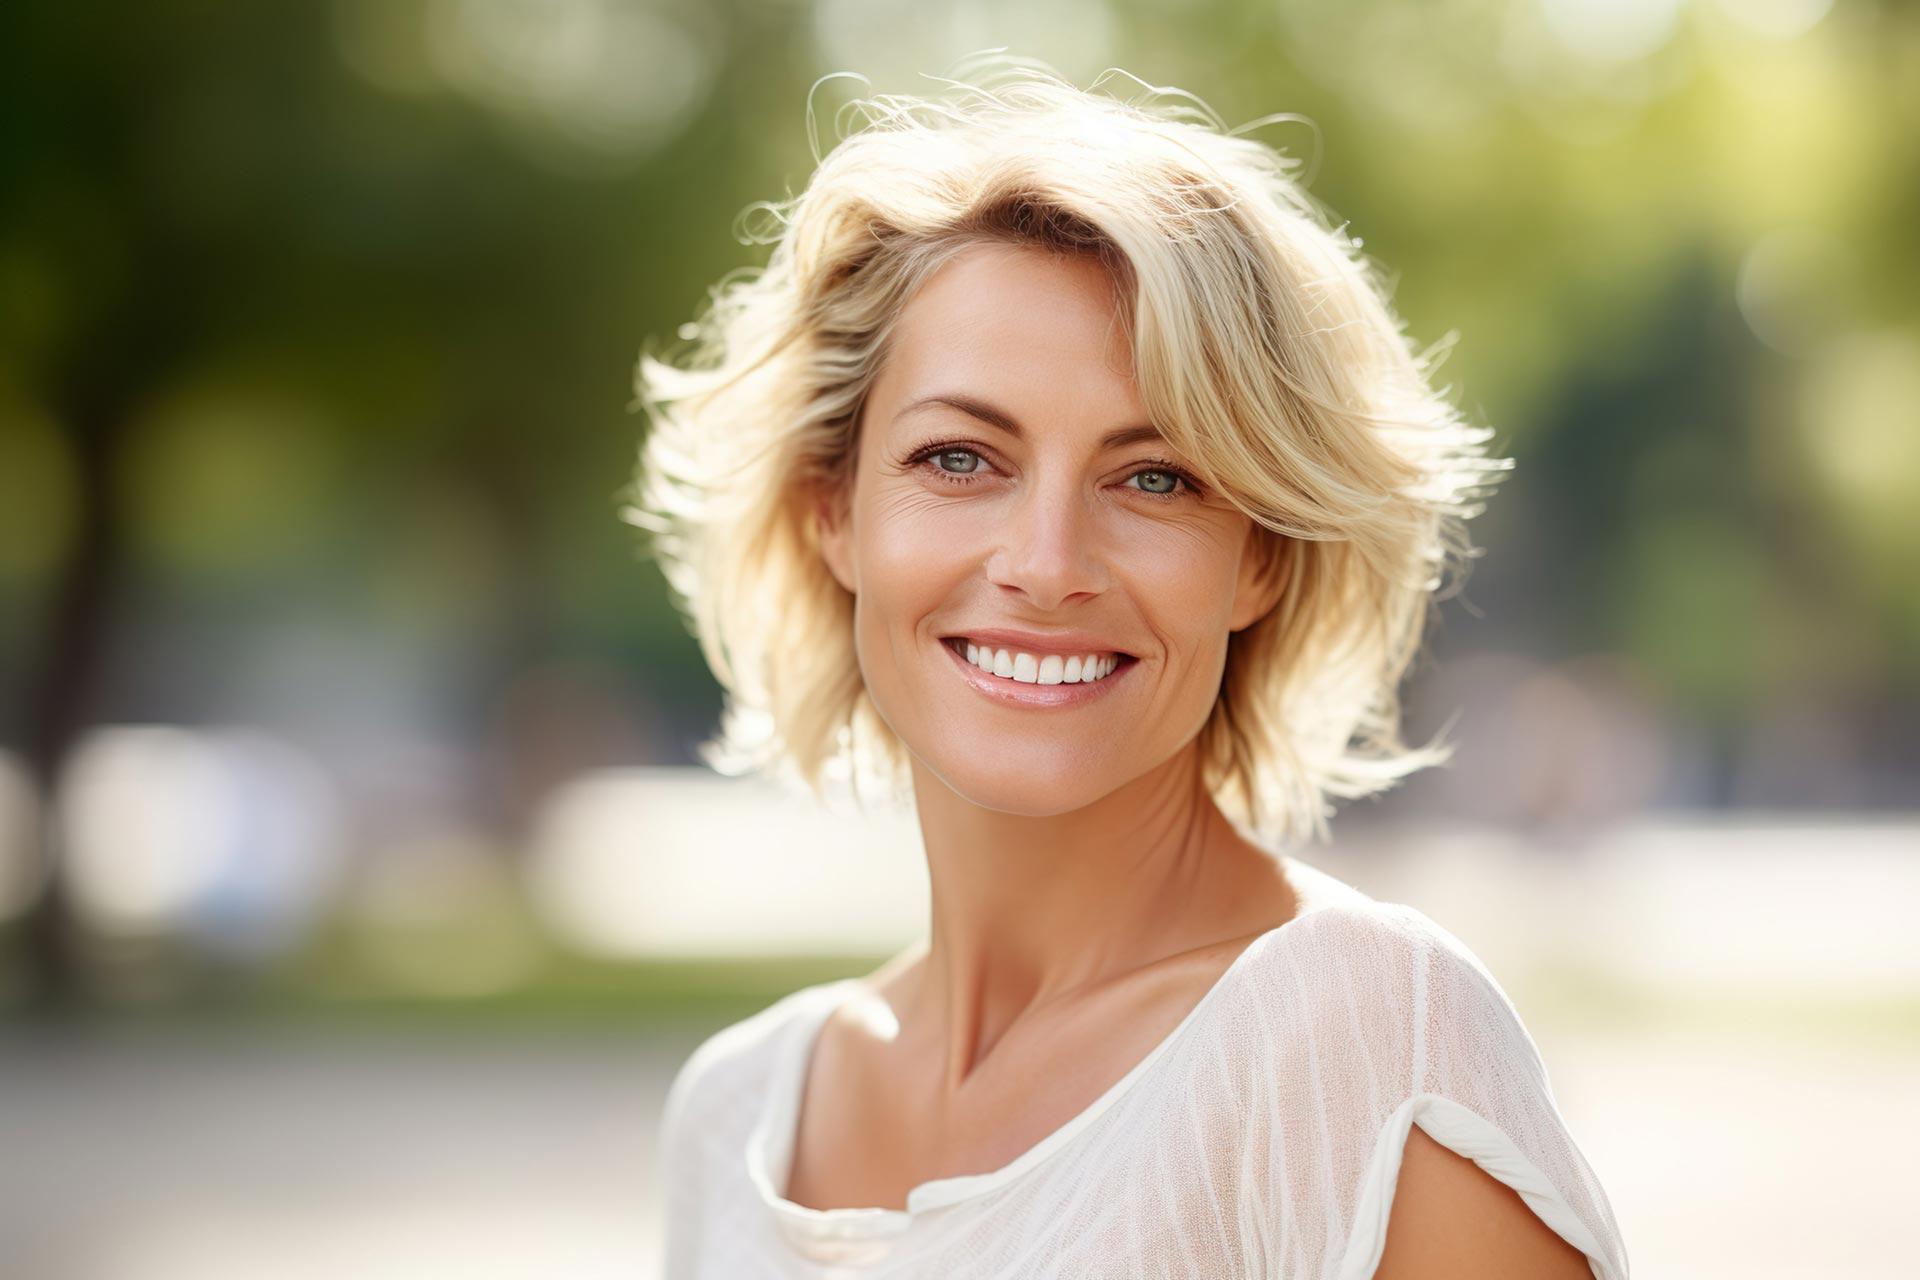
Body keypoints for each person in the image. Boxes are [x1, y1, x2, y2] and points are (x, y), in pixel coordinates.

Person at [624, 53, 1629, 1279]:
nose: (1047, 564)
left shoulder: (1369, 1039)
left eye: (1157, 477)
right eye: (959, 459)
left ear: (1260, 556)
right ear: (833, 510)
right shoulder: (736, 1115)